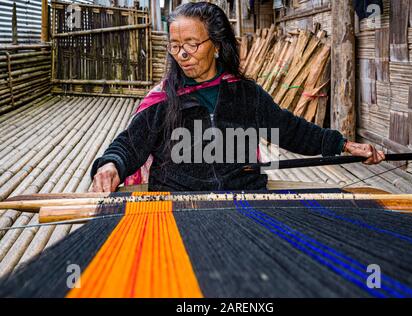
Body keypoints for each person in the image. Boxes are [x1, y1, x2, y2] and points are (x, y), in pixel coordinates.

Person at [90, 2, 385, 193]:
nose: (181, 55)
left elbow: (290, 129)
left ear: (217, 45)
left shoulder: (246, 95)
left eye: (192, 44)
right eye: (175, 45)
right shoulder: (163, 101)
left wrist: (343, 144)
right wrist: (110, 164)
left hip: (245, 200)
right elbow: (129, 144)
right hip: (177, 206)